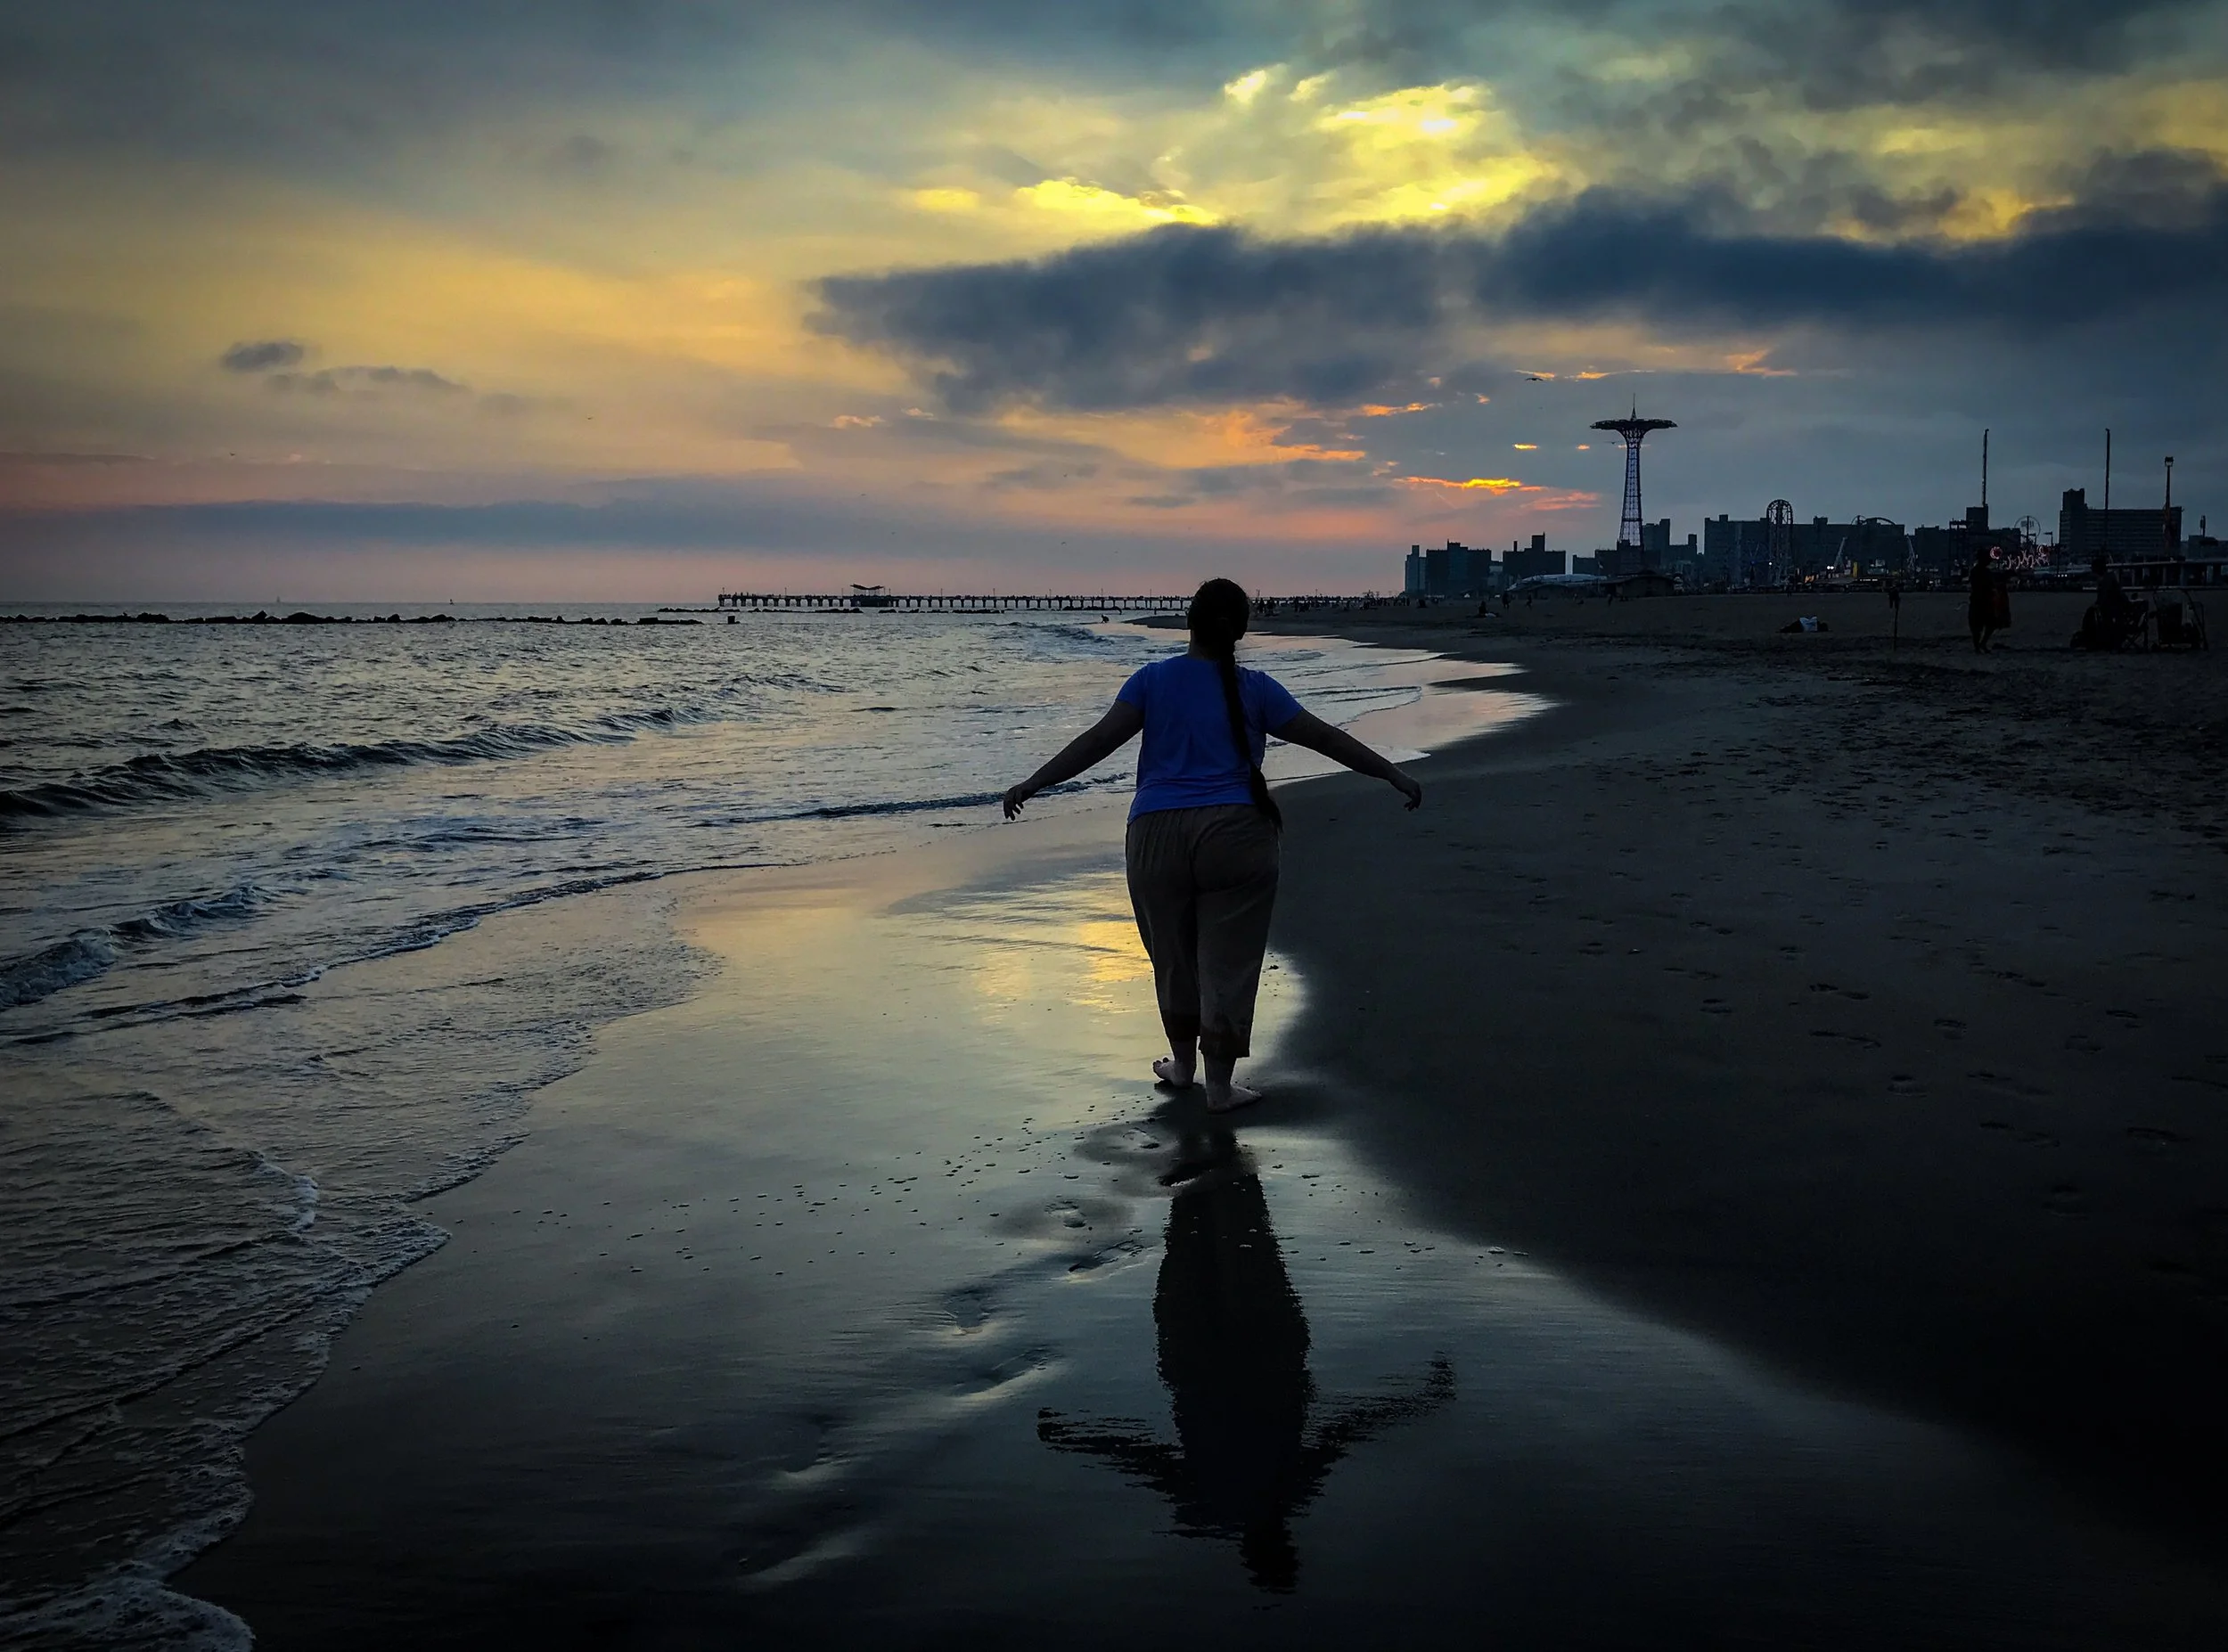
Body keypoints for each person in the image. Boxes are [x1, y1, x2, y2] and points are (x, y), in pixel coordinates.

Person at [1001, 577, 1421, 1112]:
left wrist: (1034, 783)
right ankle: (1219, 1087)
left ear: (1188, 623)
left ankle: (1182, 1068)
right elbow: (1324, 738)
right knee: (1229, 962)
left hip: (1155, 833)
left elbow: (1099, 740)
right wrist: (1391, 774)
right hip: (1237, 833)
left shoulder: (1151, 681)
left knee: (1172, 957)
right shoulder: (1258, 689)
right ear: (1240, 631)